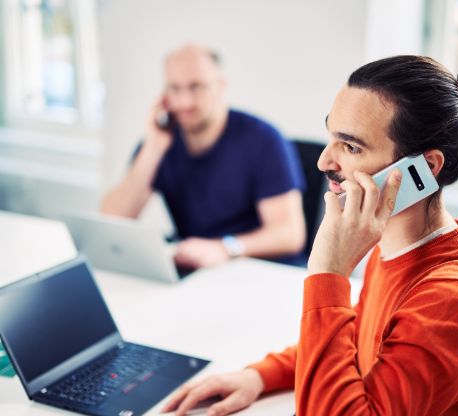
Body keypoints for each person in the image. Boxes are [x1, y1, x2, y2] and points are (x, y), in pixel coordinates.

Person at [161, 55, 458, 416]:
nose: (324, 162)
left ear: (424, 169)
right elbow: (359, 341)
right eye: (332, 137)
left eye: (351, 147)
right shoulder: (396, 247)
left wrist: (328, 272)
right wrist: (262, 375)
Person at [101, 44, 306, 268]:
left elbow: (289, 235)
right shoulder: (159, 141)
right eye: (174, 89)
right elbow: (111, 222)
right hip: (197, 269)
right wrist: (153, 148)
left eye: (196, 87)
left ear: (221, 86)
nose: (185, 101)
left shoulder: (264, 139)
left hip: (257, 269)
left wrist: (224, 248)